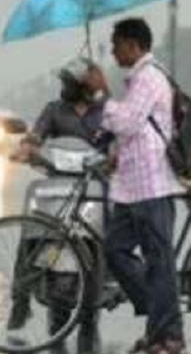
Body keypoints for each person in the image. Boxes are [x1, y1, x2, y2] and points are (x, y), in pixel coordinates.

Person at [86, 17, 187, 354]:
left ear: (132, 45)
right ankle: (158, 321)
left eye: (116, 44)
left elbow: (128, 123)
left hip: (153, 185)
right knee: (115, 250)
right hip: (131, 187)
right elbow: (128, 128)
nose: (113, 51)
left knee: (160, 263)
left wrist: (102, 94)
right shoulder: (136, 80)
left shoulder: (149, 77)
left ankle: (170, 337)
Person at [6, 56, 112, 332]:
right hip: (56, 187)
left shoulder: (106, 112)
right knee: (30, 233)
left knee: (106, 239)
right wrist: (27, 148)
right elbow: (36, 136)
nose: (64, 87)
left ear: (85, 85)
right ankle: (21, 297)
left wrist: (115, 158)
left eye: (69, 82)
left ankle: (103, 288)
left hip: (94, 186)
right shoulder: (54, 110)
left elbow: (118, 142)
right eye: (64, 82)